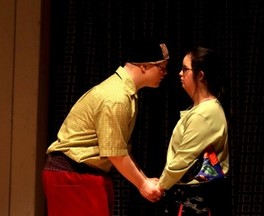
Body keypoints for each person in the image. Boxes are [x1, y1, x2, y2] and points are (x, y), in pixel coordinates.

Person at [42, 38, 169, 216]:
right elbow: (115, 153)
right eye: (162, 67)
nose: (165, 73)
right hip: (73, 175)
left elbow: (119, 147)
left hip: (86, 174)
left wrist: (144, 179)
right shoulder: (116, 97)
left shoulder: (124, 93)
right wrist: (142, 184)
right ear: (144, 66)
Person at [156, 46, 231, 216]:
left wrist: (160, 186)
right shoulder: (201, 109)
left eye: (185, 69)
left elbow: (183, 158)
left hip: (196, 201)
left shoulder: (206, 112)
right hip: (191, 198)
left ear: (201, 75)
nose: (180, 74)